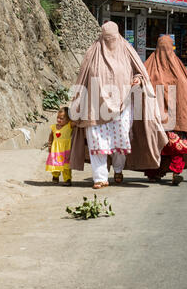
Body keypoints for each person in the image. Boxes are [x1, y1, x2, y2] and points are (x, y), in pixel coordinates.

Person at [69, 21, 167, 189]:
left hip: (123, 105)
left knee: (120, 139)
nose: (110, 41)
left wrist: (137, 78)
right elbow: (83, 77)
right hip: (95, 107)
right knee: (96, 141)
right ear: (101, 36)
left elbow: (140, 71)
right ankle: (100, 178)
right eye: (107, 38)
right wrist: (77, 104)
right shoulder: (92, 52)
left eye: (112, 38)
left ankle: (118, 169)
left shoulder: (127, 49)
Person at [144, 35, 187, 186]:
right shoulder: (178, 67)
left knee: (154, 146)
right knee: (176, 146)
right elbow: (185, 92)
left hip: (155, 119)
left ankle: (154, 173)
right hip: (174, 119)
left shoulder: (149, 65)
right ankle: (176, 171)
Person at [46, 107, 74, 186]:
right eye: (57, 117)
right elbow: (51, 136)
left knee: (66, 165)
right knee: (55, 163)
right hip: (56, 150)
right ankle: (55, 176)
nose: (58, 120)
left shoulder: (69, 125)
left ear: (68, 119)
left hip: (66, 149)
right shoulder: (54, 127)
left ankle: (67, 179)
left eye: (61, 118)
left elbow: (75, 122)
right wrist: (49, 145)